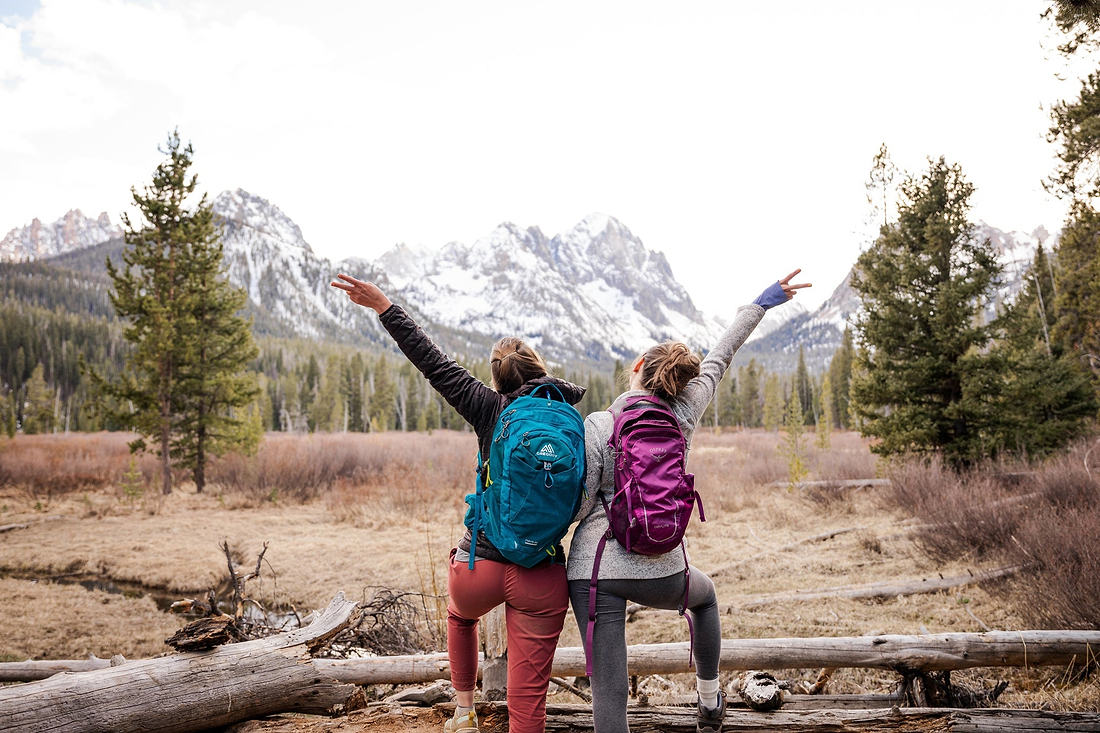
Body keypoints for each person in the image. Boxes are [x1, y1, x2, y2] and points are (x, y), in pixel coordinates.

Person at [331, 273, 585, 733]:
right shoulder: (569, 417)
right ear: (538, 368)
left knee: (459, 616)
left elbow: (432, 362)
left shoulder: (487, 407)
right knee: (529, 707)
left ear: (497, 375)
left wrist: (385, 306)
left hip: (478, 570)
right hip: (542, 577)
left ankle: (464, 710)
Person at [567, 269, 810, 733]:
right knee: (706, 597)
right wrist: (761, 302)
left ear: (637, 366)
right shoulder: (683, 413)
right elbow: (721, 356)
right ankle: (709, 700)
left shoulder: (599, 423)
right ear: (681, 381)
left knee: (610, 691)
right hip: (663, 567)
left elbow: (580, 504)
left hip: (594, 572)